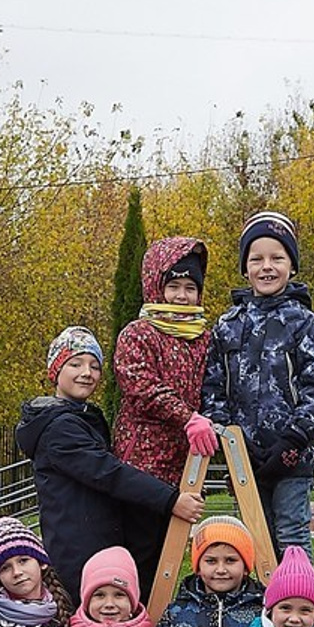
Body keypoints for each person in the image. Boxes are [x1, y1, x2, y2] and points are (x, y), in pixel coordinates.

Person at [16, 326, 204, 600]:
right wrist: (170, 499)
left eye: (94, 366)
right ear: (55, 371)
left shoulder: (85, 416)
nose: (86, 373)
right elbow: (107, 472)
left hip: (99, 541)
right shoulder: (59, 428)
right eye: (75, 364)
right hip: (79, 549)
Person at [201, 211, 314, 558]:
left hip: (292, 454)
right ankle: (260, 605)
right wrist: (228, 438)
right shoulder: (227, 326)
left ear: (291, 265)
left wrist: (293, 441)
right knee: (253, 538)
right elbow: (213, 388)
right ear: (245, 268)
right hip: (242, 454)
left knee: (291, 533)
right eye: (256, 259)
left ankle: (301, 607)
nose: (267, 267)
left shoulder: (305, 323)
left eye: (277, 258)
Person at [111, 236, 219, 581]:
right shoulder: (138, 334)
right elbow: (140, 385)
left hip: (184, 463)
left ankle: (159, 623)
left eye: (190, 287)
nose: (182, 296)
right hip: (140, 464)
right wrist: (186, 416)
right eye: (174, 286)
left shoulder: (204, 336)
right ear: (156, 286)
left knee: (168, 557)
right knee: (138, 552)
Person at [0, 515, 72, 627]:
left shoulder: (64, 613)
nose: (17, 572)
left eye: (23, 561)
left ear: (41, 563)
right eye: (5, 568)